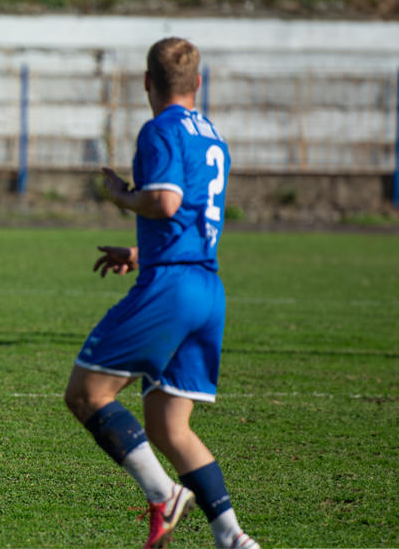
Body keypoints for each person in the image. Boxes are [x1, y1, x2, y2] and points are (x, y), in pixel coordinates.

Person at [62, 38, 259, 549]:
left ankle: (163, 494)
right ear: (198, 83)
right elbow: (193, 218)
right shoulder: (213, 137)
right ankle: (233, 537)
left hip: (170, 289)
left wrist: (121, 195)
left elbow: (166, 202)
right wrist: (140, 250)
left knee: (86, 394)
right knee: (171, 428)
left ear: (147, 83)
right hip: (206, 288)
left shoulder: (160, 129)